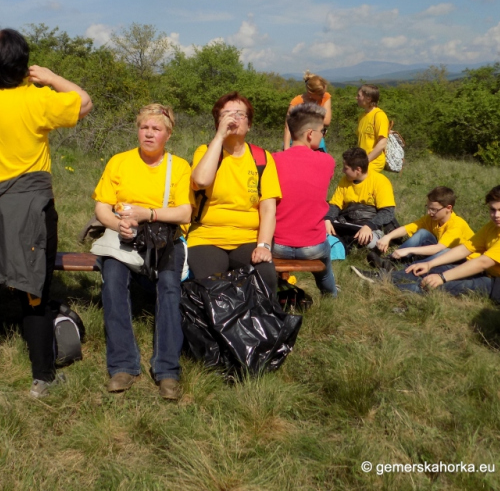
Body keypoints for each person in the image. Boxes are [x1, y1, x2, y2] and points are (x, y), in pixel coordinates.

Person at [0, 28, 92, 399]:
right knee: (34, 288)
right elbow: (83, 102)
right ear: (22, 64)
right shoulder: (37, 99)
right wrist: (51, 77)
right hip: (29, 206)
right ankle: (43, 378)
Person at [92, 104, 193, 400]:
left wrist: (148, 214)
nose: (149, 134)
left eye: (156, 129)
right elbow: (101, 207)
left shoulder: (179, 167)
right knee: (112, 281)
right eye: (144, 127)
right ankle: (122, 365)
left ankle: (167, 370)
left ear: (168, 134)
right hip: (123, 236)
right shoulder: (119, 162)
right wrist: (118, 224)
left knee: (170, 288)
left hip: (165, 238)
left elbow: (185, 212)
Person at [186, 92, 281, 294]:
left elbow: (268, 209)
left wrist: (264, 245)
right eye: (226, 114)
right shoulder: (205, 151)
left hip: (248, 237)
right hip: (207, 236)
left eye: (240, 114)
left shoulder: (262, 158)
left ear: (249, 124)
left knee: (265, 277)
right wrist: (220, 137)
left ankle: (263, 315)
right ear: (217, 123)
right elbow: (201, 181)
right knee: (212, 285)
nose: (233, 118)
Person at [391, 185, 500, 298]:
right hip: (486, 272)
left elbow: (483, 262)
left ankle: (393, 290)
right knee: (434, 268)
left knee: (437, 285)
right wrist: (430, 264)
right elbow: (465, 248)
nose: (496, 215)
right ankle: (385, 277)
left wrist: (442, 278)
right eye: (492, 209)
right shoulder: (492, 226)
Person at [273, 104, 337, 296]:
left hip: (277, 245)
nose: (323, 135)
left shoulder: (272, 160)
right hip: (313, 247)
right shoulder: (327, 161)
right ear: (310, 134)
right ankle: (330, 296)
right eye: (322, 131)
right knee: (325, 271)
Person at [372, 187, 474, 268]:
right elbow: (407, 228)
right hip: (443, 252)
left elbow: (438, 248)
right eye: (428, 208)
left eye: (434, 209)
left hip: (465, 261)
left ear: (448, 208)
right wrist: (388, 237)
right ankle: (391, 260)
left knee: (445, 251)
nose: (429, 212)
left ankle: (407, 267)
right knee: (423, 233)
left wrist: (409, 250)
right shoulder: (432, 219)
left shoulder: (456, 225)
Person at [325, 148, 397, 251]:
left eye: (346, 168)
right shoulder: (344, 181)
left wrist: (369, 226)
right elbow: (335, 205)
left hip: (371, 225)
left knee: (370, 242)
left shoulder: (380, 181)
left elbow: (387, 212)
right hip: (347, 222)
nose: (343, 171)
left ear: (358, 170)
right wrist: (328, 219)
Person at [282, 71, 332, 152]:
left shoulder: (326, 97)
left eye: (323, 92)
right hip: (298, 141)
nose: (323, 95)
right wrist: (286, 148)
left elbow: (327, 121)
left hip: (317, 141)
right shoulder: (296, 102)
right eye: (320, 94)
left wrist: (302, 120)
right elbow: (288, 126)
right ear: (310, 93)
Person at [356, 84, 389, 173]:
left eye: (359, 96)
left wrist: (366, 161)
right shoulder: (362, 116)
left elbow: (382, 143)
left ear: (368, 99)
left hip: (373, 162)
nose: (356, 98)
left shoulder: (379, 116)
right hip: (362, 161)